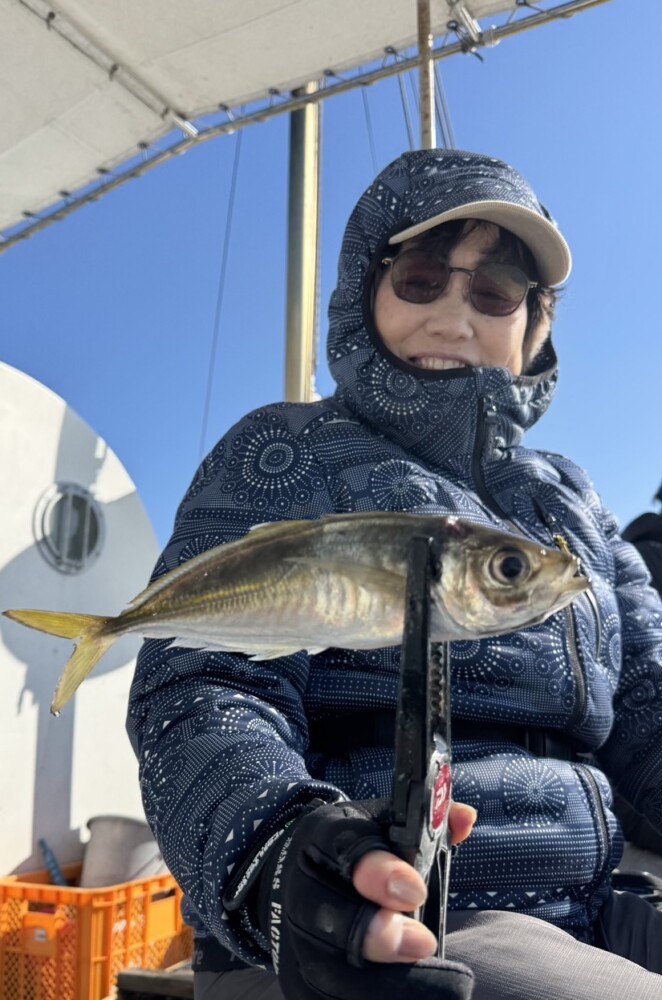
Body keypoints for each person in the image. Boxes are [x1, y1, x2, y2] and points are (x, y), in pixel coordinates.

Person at [127, 149, 662, 1000]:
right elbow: (203, 686)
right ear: (366, 287)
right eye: (421, 279)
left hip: (596, 906)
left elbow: (646, 702)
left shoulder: (574, 503)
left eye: (495, 292)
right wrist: (279, 853)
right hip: (377, 917)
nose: (453, 317)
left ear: (536, 321)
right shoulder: (287, 451)